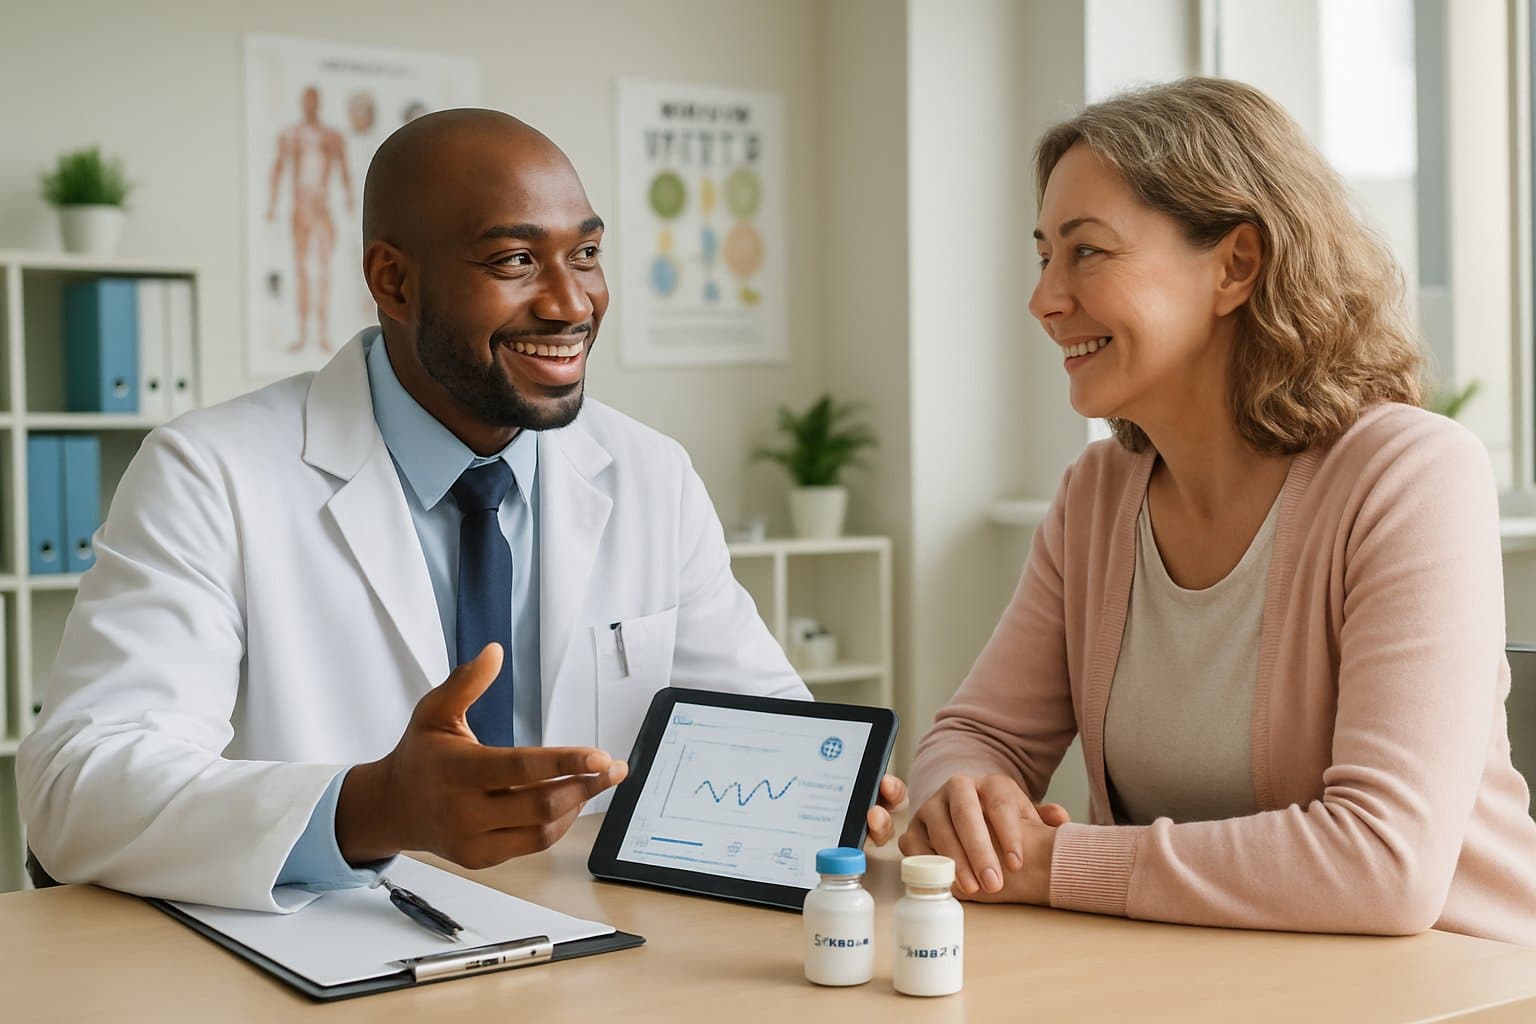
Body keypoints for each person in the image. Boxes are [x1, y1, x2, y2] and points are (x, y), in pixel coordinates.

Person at [19, 109, 904, 912]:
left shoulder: (648, 474)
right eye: (516, 261)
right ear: (393, 281)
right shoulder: (209, 473)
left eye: (585, 253)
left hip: (596, 958)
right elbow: (77, 793)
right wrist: (365, 808)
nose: (570, 304)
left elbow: (761, 720)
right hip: (324, 967)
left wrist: (827, 792)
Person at [900, 77, 1536, 944]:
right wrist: (967, 799)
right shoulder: (1096, 499)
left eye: (1087, 252)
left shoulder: (1412, 475)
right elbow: (977, 734)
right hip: (1204, 984)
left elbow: (1383, 864)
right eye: (1044, 253)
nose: (1044, 298)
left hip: (1452, 990)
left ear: (1236, 265)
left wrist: (1055, 864)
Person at [266, 85, 354, 355]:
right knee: (302, 268)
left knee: (324, 270)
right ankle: (304, 333)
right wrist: (272, 205)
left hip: (322, 206)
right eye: (306, 101)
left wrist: (351, 199)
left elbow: (344, 169)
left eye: (314, 101)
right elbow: (279, 168)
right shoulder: (291, 135)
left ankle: (324, 333)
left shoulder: (332, 137)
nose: (310, 106)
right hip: (300, 206)